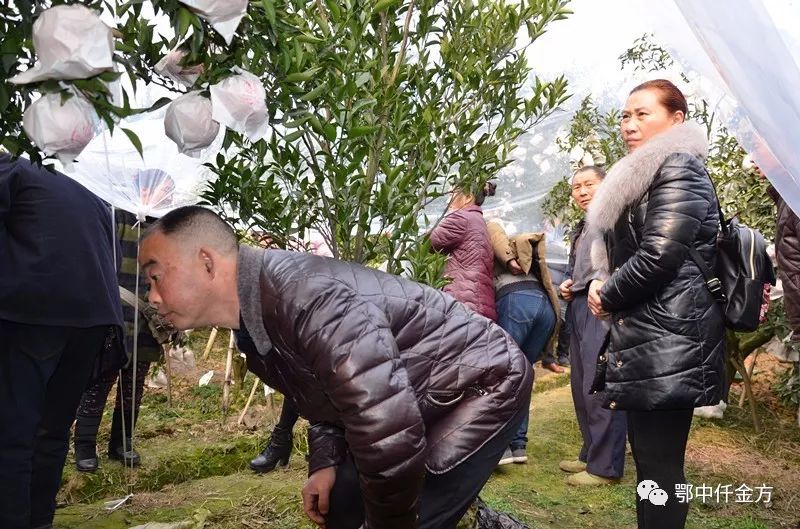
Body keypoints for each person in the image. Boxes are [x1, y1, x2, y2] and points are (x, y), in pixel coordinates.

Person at [138, 206, 532, 529]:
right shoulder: (254, 323)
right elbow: (323, 394)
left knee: (412, 509)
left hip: (484, 383)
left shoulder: (308, 300)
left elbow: (388, 431)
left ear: (206, 262)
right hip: (415, 395)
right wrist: (325, 462)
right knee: (342, 503)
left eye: (156, 277)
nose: (152, 297)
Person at [586, 80, 725, 529]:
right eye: (625, 116)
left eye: (642, 114)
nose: (629, 124)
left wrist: (607, 293)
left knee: (661, 467)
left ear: (676, 118)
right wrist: (604, 281)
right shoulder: (645, 173)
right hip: (653, 334)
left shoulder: (679, 165)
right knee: (650, 466)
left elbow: (659, 256)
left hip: (672, 338)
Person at [0, 153, 125, 529]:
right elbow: (112, 256)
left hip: (35, 311)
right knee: (51, 431)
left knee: (12, 434)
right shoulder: (88, 191)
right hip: (94, 318)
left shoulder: (12, 167)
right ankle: (39, 521)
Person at [73, 208, 166, 471]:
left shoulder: (166, 226)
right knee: (100, 379)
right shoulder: (116, 215)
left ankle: (121, 443)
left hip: (147, 317)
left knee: (134, 383)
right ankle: (84, 445)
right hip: (114, 311)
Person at [557, 165, 626, 486]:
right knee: (582, 384)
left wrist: (605, 284)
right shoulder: (584, 224)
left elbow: (624, 260)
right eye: (576, 187)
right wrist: (569, 282)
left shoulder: (615, 216)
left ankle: (605, 467)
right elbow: (581, 266)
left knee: (601, 384)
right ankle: (590, 453)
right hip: (580, 304)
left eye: (589, 184)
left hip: (603, 306)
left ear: (605, 184)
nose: (582, 192)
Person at [486, 220, 559, 465]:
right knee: (522, 374)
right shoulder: (517, 248)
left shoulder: (487, 228)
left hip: (516, 301)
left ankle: (500, 448)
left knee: (504, 373)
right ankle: (518, 445)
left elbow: (493, 228)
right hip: (544, 305)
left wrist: (508, 261)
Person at [429, 182, 497, 320]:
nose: (448, 201)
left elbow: (427, 243)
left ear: (468, 197)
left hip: (463, 304)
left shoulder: (462, 218)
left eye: (452, 195)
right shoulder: (478, 220)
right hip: (478, 303)